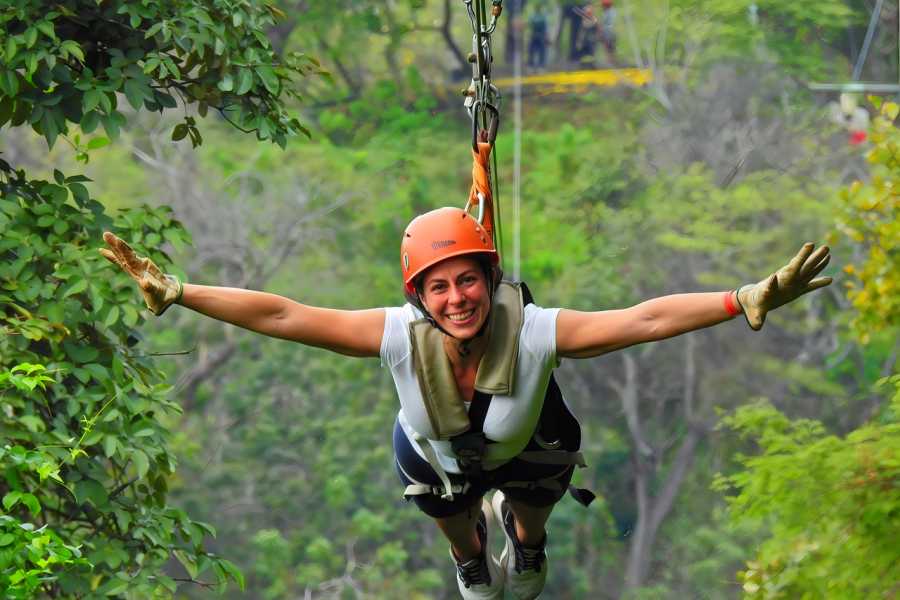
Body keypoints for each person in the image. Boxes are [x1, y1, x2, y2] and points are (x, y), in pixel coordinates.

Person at [100, 213, 832, 600]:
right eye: (438, 288)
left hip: (528, 446)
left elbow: (641, 319)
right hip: (437, 457)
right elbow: (287, 314)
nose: (457, 299)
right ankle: (473, 555)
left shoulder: (537, 332)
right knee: (456, 526)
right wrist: (183, 292)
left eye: (469, 281)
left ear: (491, 278)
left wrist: (743, 298)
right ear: (419, 297)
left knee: (533, 507)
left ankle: (527, 540)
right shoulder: (396, 336)